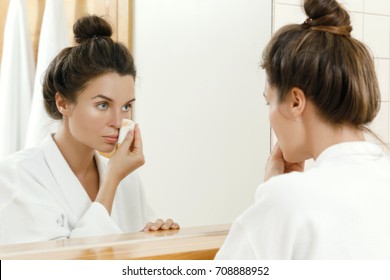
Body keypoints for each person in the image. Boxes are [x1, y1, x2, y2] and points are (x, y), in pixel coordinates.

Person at [215, 0, 390, 259]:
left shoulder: (287, 199)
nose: (270, 115)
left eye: (269, 101)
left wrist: (276, 196)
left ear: (296, 102)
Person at [0, 15, 178, 245]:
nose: (118, 121)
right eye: (103, 105)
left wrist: (154, 239)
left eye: (126, 106)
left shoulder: (128, 182)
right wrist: (112, 179)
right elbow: (63, 267)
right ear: (63, 103)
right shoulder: (16, 176)